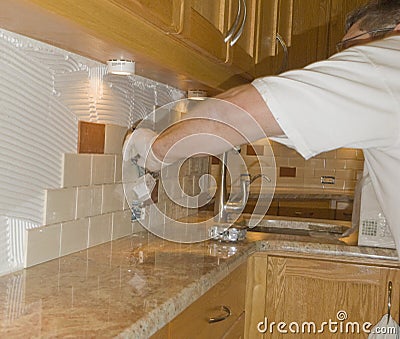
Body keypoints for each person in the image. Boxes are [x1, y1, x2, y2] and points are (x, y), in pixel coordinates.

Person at [129, 0, 400, 252]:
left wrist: (153, 152)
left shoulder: (387, 61)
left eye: (351, 47)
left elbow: (239, 111)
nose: (345, 61)